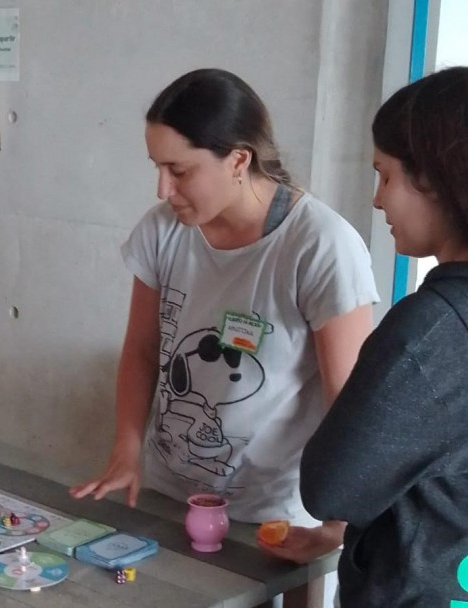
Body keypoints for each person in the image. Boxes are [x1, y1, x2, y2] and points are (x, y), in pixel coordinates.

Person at [70, 68, 378, 568]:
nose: (162, 189)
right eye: (156, 167)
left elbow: (349, 401)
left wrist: (339, 521)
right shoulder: (162, 231)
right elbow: (144, 349)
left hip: (274, 514)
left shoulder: (321, 245)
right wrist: (127, 449)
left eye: (180, 170)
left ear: (238, 159)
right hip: (172, 495)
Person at [301, 67, 468, 608]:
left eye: (386, 175)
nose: (377, 201)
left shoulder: (433, 330)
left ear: (438, 178)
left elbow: (332, 488)